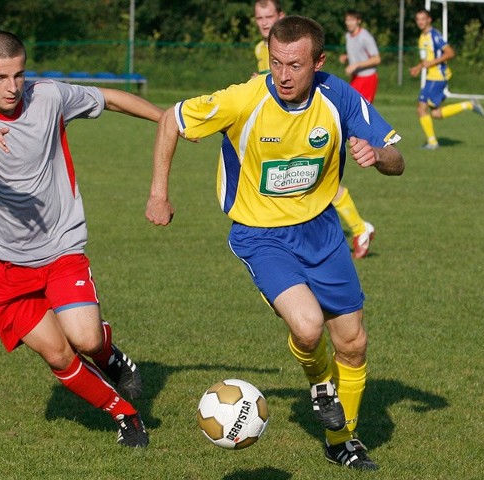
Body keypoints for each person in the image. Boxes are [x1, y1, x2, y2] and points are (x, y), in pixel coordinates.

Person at [146, 16, 405, 470]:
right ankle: (321, 385)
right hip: (260, 236)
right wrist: (158, 193)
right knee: (307, 327)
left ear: (319, 63)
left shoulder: (338, 95)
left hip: (322, 231)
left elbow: (397, 158)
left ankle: (341, 439)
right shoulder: (243, 99)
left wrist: (377, 154)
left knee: (353, 344)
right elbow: (172, 119)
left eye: (296, 65)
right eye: (276, 63)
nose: (283, 75)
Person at [0, 31, 161, 448]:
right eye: (0, 77)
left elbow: (109, 98)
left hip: (59, 246)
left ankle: (109, 355)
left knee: (87, 339)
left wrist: (169, 120)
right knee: (58, 354)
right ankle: (126, 416)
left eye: (19, 75)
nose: (12, 87)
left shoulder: (48, 96)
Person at [253, 1, 376, 259]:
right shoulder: (260, 48)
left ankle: (358, 227)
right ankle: (357, 227)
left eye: (269, 16)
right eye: (259, 17)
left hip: (307, 122)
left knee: (311, 179)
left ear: (281, 16)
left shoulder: (300, 47)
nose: (264, 22)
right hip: (280, 125)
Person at [409, 9, 484, 150]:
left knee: (421, 108)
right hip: (432, 77)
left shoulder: (434, 35)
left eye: (423, 18)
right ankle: (469, 105)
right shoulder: (422, 37)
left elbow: (450, 53)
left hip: (437, 77)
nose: (420, 21)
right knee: (436, 113)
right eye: (418, 19)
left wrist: (430, 64)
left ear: (429, 20)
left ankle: (432, 143)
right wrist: (418, 67)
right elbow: (426, 59)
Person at [338, 9, 381, 103]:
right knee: (348, 106)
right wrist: (346, 57)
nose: (349, 23)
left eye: (352, 20)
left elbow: (377, 59)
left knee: (363, 111)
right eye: (347, 20)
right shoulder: (348, 36)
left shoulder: (365, 37)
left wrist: (356, 65)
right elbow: (359, 53)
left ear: (358, 21)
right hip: (356, 78)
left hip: (368, 78)